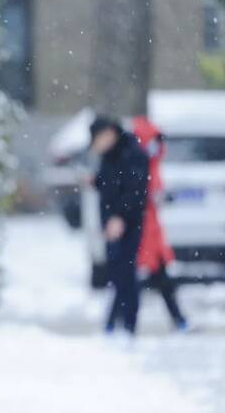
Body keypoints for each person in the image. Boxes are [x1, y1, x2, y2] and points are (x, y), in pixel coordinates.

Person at [90, 115, 149, 335]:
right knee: (117, 273)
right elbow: (109, 184)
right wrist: (94, 181)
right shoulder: (111, 155)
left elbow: (134, 190)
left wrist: (120, 217)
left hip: (127, 224)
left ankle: (128, 325)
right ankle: (114, 323)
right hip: (112, 224)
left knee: (126, 273)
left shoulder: (132, 154)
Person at [132, 116, 188, 330]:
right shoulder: (140, 163)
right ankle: (120, 324)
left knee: (156, 278)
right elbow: (138, 195)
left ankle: (178, 319)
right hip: (142, 230)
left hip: (152, 231)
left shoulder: (152, 164)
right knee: (132, 280)